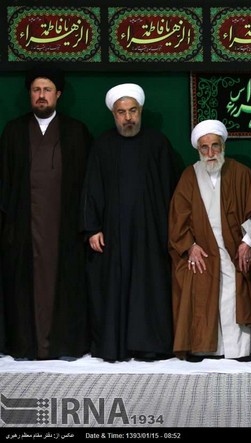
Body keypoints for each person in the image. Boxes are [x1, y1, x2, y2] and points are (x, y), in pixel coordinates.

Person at [81, 83, 181, 362]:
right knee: (116, 288)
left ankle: (150, 345)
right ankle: (118, 346)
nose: (128, 118)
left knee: (150, 287)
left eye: (132, 111)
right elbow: (91, 189)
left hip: (152, 234)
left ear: (141, 111)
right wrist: (92, 228)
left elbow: (174, 191)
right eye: (121, 112)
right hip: (114, 235)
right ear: (114, 115)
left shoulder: (158, 144)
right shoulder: (102, 145)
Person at [0, 64, 92, 360]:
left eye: (47, 90)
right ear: (30, 94)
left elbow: (88, 185)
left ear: (58, 94)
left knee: (65, 282)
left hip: (65, 228)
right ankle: (26, 345)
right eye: (36, 90)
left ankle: (63, 345)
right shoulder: (13, 131)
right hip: (24, 227)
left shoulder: (76, 132)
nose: (41, 95)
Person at [169, 120, 251, 362]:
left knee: (235, 289)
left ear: (223, 146)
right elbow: (177, 219)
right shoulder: (189, 176)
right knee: (198, 279)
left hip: (235, 250)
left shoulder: (240, 173)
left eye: (215, 146)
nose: (210, 153)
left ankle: (239, 349)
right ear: (198, 150)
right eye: (204, 148)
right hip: (202, 251)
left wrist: (247, 243)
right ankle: (204, 347)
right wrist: (190, 247)